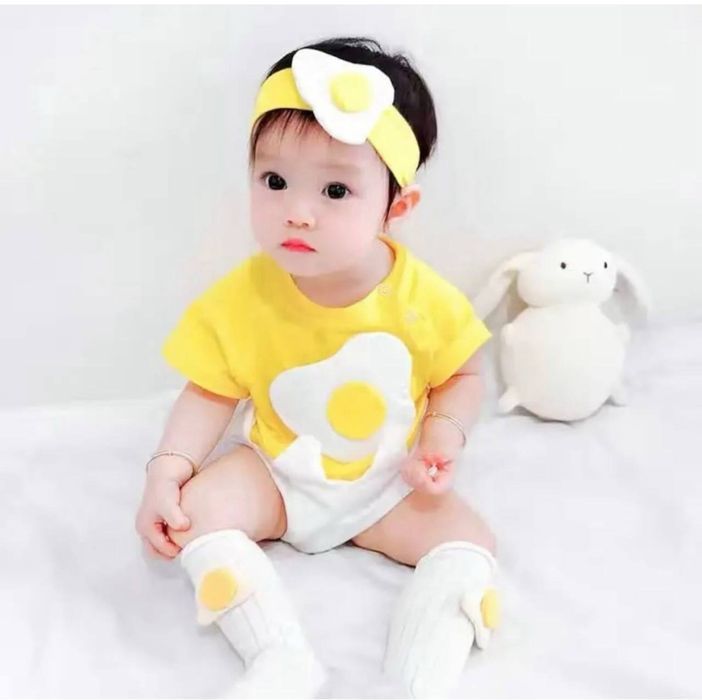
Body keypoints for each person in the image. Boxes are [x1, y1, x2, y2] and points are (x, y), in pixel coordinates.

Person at [135, 36, 499, 699]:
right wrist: (167, 469)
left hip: (388, 479)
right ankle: (279, 657)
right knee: (194, 513)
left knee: (470, 545)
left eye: (335, 189)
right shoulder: (242, 299)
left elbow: (462, 375)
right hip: (278, 473)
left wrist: (442, 436)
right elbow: (208, 392)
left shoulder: (422, 301)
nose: (297, 212)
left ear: (396, 207)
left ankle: (419, 680)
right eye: (274, 181)